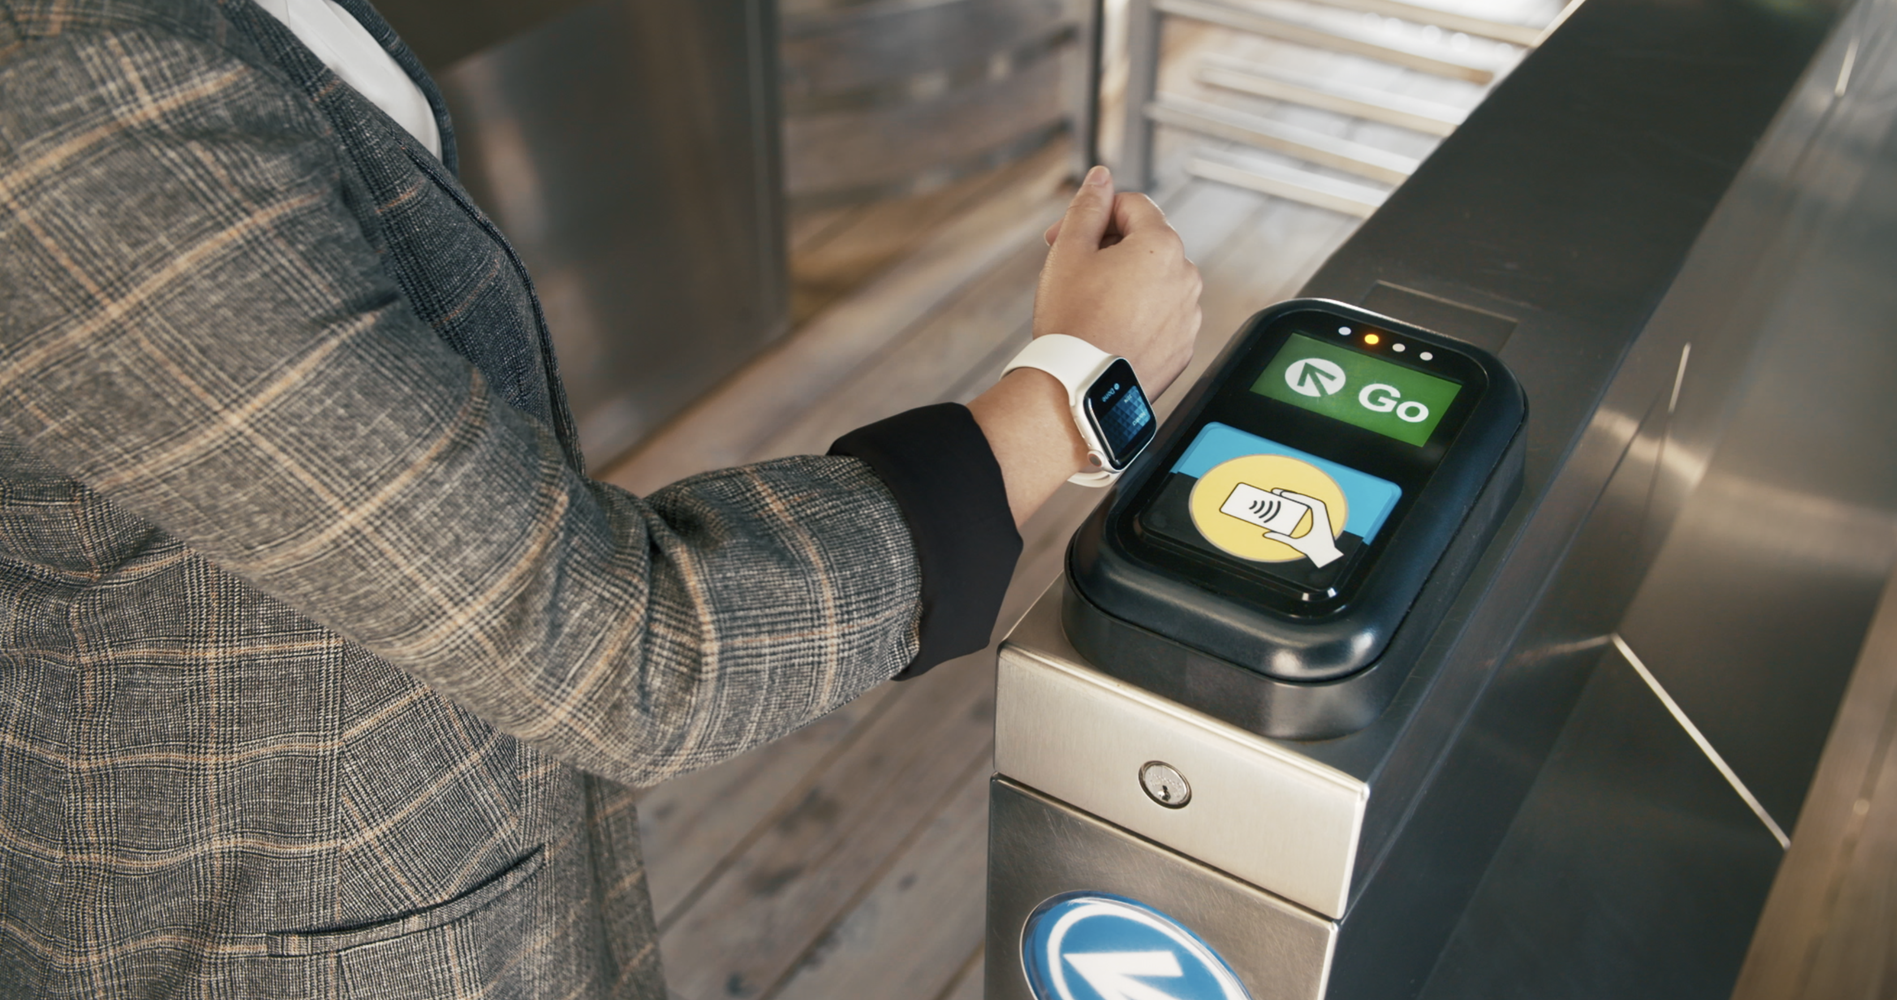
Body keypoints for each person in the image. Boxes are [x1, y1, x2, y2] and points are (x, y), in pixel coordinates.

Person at [0, 0, 1202, 995]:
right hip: (297, 917)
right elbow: (624, 644)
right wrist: (1070, 393)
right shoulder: (78, 101)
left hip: (456, 783)